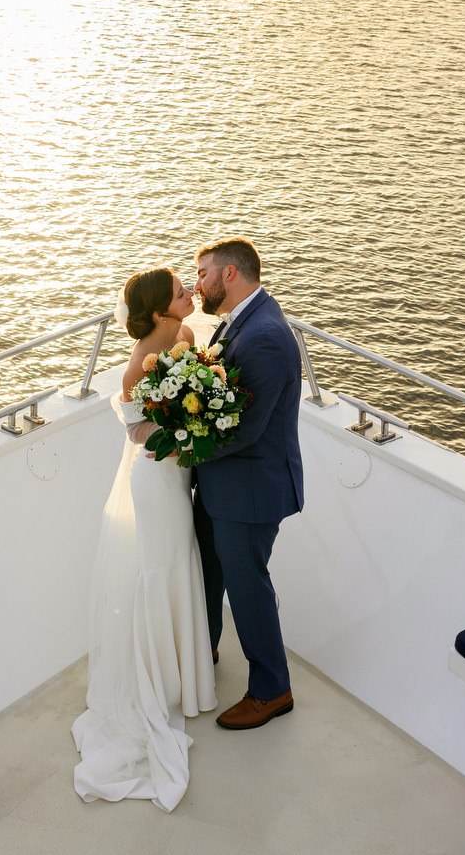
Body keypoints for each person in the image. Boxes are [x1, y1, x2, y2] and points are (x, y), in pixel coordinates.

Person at [72, 267, 217, 812]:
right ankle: (160, 687)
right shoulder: (136, 370)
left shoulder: (184, 337)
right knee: (162, 565)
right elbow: (142, 435)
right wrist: (191, 427)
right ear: (159, 312)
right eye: (181, 293)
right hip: (156, 480)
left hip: (180, 478)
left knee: (183, 562)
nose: (190, 296)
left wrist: (207, 411)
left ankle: (186, 675)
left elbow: (202, 384)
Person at [191, 237, 303, 730]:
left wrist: (182, 447)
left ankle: (271, 690)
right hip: (223, 485)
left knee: (247, 588)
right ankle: (206, 648)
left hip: (250, 490)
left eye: (202, 274)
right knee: (209, 571)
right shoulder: (242, 321)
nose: (198, 285)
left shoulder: (265, 336)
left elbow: (246, 427)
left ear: (229, 275)